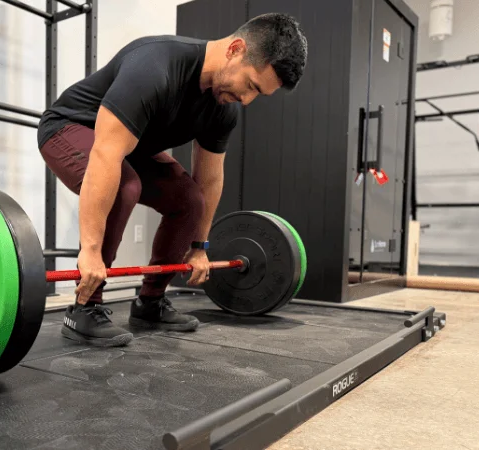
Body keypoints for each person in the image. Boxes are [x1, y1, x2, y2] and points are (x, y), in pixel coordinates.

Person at [37, 13, 308, 347]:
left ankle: (150, 303)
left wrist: (199, 247)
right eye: (251, 85)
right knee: (124, 186)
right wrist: (91, 252)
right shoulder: (154, 67)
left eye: (258, 94)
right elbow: (106, 155)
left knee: (189, 199)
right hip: (69, 128)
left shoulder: (223, 107)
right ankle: (84, 308)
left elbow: (209, 180)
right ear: (235, 49)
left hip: (129, 147)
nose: (247, 99)